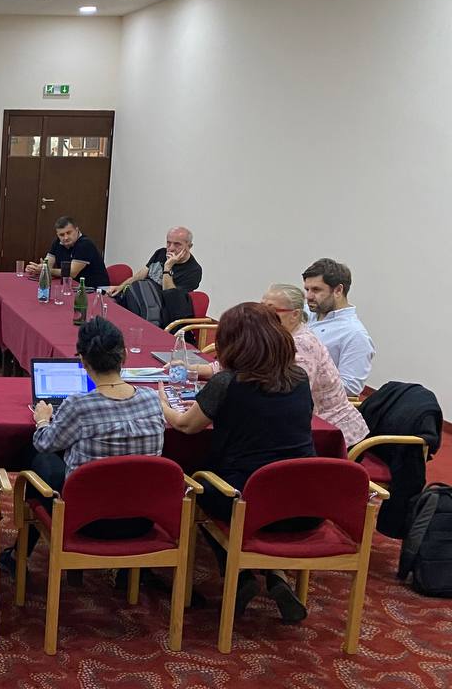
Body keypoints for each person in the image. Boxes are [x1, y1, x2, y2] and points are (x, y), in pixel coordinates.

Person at [160, 302, 316, 624]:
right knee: (264, 498)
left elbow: (186, 426)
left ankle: (240, 575)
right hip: (304, 504)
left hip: (243, 499)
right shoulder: (299, 378)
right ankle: (276, 576)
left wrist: (161, 401)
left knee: (197, 486)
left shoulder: (227, 382)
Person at [10, 317, 165, 570]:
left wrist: (42, 420)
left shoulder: (79, 406)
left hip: (86, 521)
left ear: (83, 361)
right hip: (142, 518)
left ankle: (18, 556)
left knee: (38, 455)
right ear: (125, 355)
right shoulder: (152, 399)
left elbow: (44, 443)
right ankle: (131, 573)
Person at [191, 284, 368, 446]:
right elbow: (242, 364)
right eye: (261, 309)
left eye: (271, 311)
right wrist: (194, 369)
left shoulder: (302, 345)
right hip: (299, 430)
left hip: (332, 435)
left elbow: (287, 399)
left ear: (295, 315)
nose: (262, 316)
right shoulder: (275, 337)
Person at [303, 258, 373, 396]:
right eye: (307, 289)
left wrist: (301, 380)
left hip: (316, 403)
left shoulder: (354, 334)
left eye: (316, 290)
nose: (308, 296)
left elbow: (350, 387)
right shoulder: (303, 313)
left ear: (338, 290)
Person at [109, 226, 202, 296]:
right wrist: (121, 287)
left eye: (177, 244)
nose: (171, 248)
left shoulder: (194, 271)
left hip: (159, 310)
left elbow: (172, 297)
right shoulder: (161, 253)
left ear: (189, 246)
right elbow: (141, 274)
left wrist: (168, 267)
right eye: (168, 243)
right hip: (142, 297)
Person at [26, 216, 110, 288]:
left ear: (77, 230)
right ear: (57, 234)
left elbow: (71, 273)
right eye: (61, 235)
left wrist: (46, 270)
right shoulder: (57, 242)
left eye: (69, 233)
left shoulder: (85, 244)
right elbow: (48, 263)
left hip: (94, 289)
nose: (65, 237)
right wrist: (37, 268)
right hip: (72, 286)